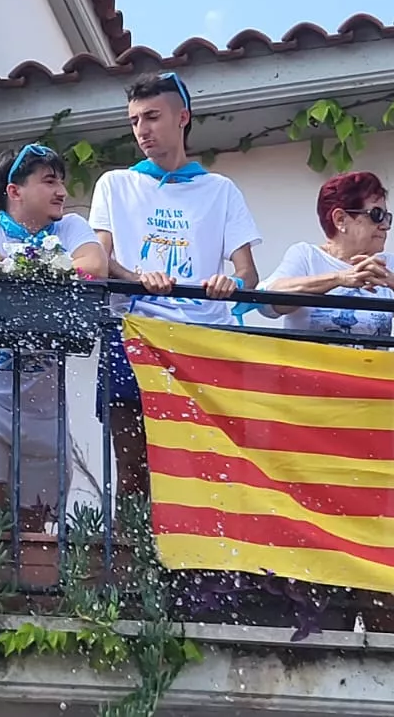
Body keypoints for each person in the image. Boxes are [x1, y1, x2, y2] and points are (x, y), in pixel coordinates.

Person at [89, 71, 260, 495]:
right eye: (134, 120)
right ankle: (133, 539)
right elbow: (97, 260)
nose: (142, 130)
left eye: (152, 117)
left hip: (204, 341)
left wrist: (229, 283)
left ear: (182, 117)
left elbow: (248, 274)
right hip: (133, 336)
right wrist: (134, 277)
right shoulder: (115, 184)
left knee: (207, 467)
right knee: (133, 469)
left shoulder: (220, 190)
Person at [0, 144, 109, 528]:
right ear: (14, 191)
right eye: (49, 182)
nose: (62, 191)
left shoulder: (70, 227)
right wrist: (31, 268)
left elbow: (94, 265)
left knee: (32, 529)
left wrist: (15, 270)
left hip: (42, 406)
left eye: (61, 182)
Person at [259, 171, 394, 338]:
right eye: (376, 214)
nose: (385, 225)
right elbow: (266, 303)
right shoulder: (307, 256)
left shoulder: (386, 264)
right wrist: (339, 279)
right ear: (340, 220)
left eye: (387, 216)